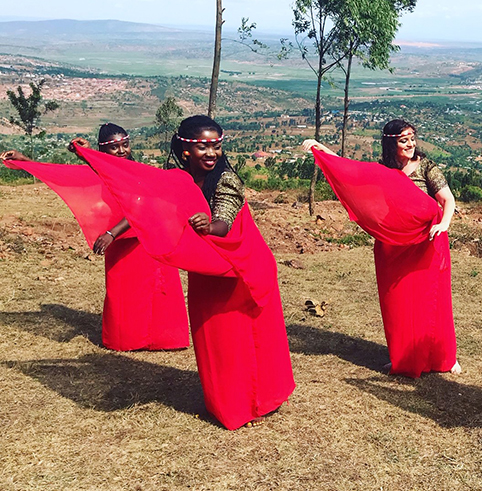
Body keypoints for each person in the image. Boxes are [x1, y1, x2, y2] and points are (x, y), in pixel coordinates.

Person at [77, 115, 296, 429]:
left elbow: (225, 218)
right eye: (203, 147)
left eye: (216, 146)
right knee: (215, 337)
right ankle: (227, 402)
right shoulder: (177, 179)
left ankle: (257, 400)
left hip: (241, 267)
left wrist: (211, 227)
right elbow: (136, 187)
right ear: (185, 152)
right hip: (209, 269)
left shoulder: (226, 179)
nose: (212, 153)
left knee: (248, 338)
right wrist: (84, 154)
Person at [1, 123, 189, 351]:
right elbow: (65, 175)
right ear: (103, 150)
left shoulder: (137, 171)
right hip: (122, 242)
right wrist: (24, 161)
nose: (121, 151)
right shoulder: (103, 170)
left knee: (156, 290)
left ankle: (162, 339)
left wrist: (111, 233)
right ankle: (127, 339)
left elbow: (142, 205)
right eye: (114, 147)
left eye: (125, 145)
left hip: (145, 239)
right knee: (123, 291)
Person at [303, 118, 461, 378]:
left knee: (433, 299)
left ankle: (444, 357)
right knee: (397, 300)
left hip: (427, 241)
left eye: (412, 138)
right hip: (393, 243)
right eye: (403, 140)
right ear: (391, 144)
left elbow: (448, 199)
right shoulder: (384, 170)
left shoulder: (427, 167)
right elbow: (352, 171)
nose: (410, 144)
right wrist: (321, 150)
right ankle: (402, 357)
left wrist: (444, 224)